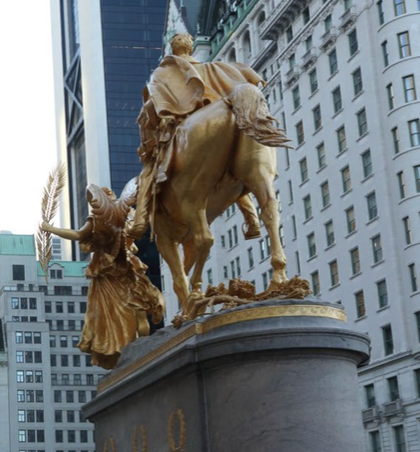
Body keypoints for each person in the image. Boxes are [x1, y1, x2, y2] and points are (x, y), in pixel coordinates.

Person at [130, 32, 264, 240]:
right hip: (223, 121)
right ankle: (251, 217)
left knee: (148, 172)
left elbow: (152, 109)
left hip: (180, 129)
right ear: (190, 48)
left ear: (173, 50)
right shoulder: (213, 68)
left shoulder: (164, 74)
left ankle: (139, 221)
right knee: (234, 168)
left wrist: (148, 145)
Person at [40, 183, 165, 369]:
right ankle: (142, 350)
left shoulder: (99, 219)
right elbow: (136, 231)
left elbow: (78, 234)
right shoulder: (125, 215)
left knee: (126, 315)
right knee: (136, 310)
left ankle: (138, 352)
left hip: (109, 275)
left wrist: (50, 228)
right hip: (127, 269)